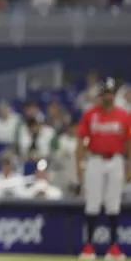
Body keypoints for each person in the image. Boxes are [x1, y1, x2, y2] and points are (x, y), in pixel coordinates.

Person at [76, 77, 131, 260]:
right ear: (101, 94)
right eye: (105, 92)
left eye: (111, 92)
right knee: (92, 203)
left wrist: (129, 167)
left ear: (115, 94)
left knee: (113, 204)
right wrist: (79, 165)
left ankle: (114, 248)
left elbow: (129, 144)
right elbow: (81, 141)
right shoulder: (91, 114)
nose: (108, 96)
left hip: (115, 160)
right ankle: (88, 247)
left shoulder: (124, 115)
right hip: (95, 159)